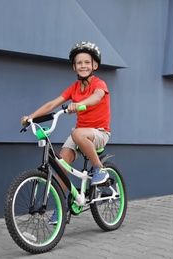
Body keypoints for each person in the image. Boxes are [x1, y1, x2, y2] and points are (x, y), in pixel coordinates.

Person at [21, 41, 111, 223]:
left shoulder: (99, 84)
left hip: (99, 133)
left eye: (87, 62)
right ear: (74, 67)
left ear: (95, 65)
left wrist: (79, 104)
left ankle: (99, 169)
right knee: (61, 162)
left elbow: (97, 97)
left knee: (76, 133)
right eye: (79, 63)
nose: (83, 66)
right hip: (81, 134)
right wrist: (31, 116)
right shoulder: (74, 88)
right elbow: (51, 104)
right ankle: (62, 208)